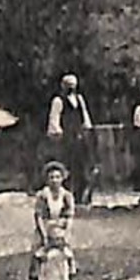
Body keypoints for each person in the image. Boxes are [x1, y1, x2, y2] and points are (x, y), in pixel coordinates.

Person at [46, 73, 95, 204]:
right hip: (67, 136)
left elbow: (84, 115)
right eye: (68, 86)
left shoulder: (79, 99)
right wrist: (56, 131)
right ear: (63, 86)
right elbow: (54, 117)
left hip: (79, 135)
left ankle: (80, 196)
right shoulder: (58, 100)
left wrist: (87, 128)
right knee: (67, 165)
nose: (71, 88)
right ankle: (65, 196)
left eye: (73, 86)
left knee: (82, 165)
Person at [31, 161, 76, 280]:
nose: (55, 180)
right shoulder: (42, 195)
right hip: (45, 226)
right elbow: (39, 216)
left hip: (60, 228)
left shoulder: (66, 195)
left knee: (64, 252)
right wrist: (44, 234)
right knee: (40, 253)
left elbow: (69, 216)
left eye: (57, 177)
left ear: (62, 178)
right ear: (47, 179)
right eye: (51, 177)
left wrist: (66, 233)